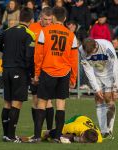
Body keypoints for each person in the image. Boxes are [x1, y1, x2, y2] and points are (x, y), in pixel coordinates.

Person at [30, 6, 78, 143]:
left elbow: (38, 55)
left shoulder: (44, 32)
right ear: (65, 19)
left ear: (54, 17)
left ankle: (37, 136)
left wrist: (37, 73)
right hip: (64, 73)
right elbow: (74, 60)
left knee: (42, 102)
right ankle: (57, 137)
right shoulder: (71, 35)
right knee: (60, 104)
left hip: (47, 71)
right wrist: (73, 78)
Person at [0, 7, 35, 142]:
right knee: (16, 104)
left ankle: (6, 135)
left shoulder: (8, 31)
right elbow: (29, 56)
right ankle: (11, 136)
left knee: (7, 103)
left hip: (6, 70)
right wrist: (32, 73)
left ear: (19, 18)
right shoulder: (29, 34)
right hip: (19, 70)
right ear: (31, 20)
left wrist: (8, 50)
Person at [79, 38, 118, 139]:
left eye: (91, 53)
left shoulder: (107, 47)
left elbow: (116, 67)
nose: (89, 55)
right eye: (87, 54)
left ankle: (109, 129)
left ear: (96, 47)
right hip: (96, 74)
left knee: (108, 99)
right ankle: (103, 131)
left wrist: (116, 88)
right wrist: (96, 88)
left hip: (109, 74)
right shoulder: (81, 50)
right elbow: (87, 69)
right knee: (98, 99)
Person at [29, 7, 54, 131]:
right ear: (40, 18)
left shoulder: (53, 30)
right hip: (34, 67)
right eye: (46, 19)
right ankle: (37, 129)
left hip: (48, 68)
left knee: (47, 100)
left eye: (50, 19)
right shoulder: (32, 28)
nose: (48, 22)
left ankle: (49, 130)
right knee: (35, 99)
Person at [23, 115, 102, 143]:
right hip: (78, 118)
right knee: (56, 133)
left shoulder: (98, 139)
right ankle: (35, 137)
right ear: (82, 134)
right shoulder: (73, 127)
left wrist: (74, 139)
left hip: (86, 123)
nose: (82, 142)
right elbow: (58, 131)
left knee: (70, 137)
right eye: (83, 140)